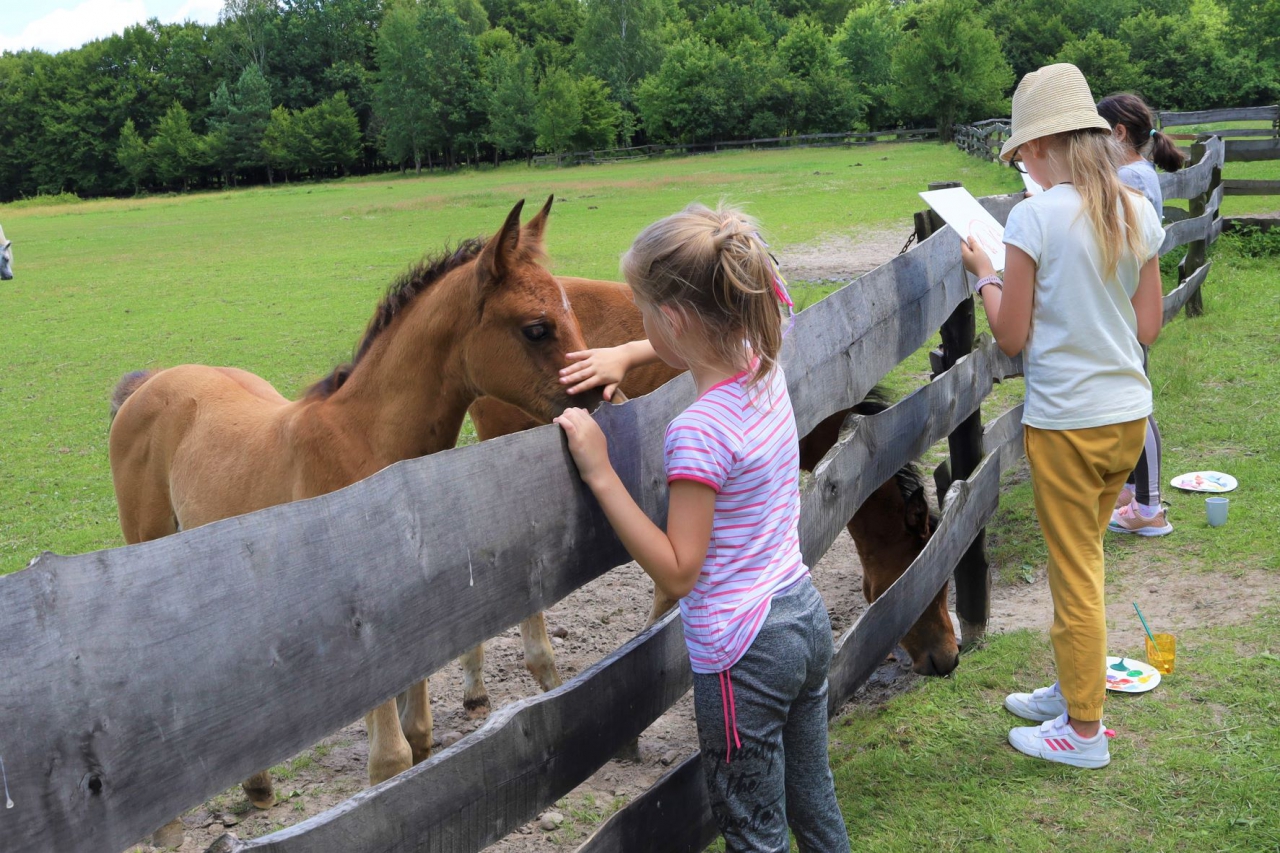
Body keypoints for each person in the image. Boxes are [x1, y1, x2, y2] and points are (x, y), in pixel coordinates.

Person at [553, 202, 851, 852]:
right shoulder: (763, 355)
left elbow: (678, 568)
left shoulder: (698, 433)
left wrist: (602, 471)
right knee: (812, 795)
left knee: (753, 828)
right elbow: (756, 297)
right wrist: (631, 352)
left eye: (643, 309)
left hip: (743, 654)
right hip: (801, 614)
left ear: (677, 318)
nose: (639, 319)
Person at [959, 64, 1166, 768]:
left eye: (1020, 155)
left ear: (1041, 148)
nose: (1021, 166)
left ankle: (1082, 731)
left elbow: (1010, 336)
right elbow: (1147, 325)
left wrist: (985, 275)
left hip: (1067, 424)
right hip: (1127, 418)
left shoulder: (1032, 217)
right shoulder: (1135, 210)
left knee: (1075, 569)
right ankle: (1072, 686)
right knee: (1088, 560)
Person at [1096, 92, 1187, 537]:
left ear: (1117, 133)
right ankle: (1135, 494)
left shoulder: (1129, 176)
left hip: (1129, 305)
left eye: (1097, 134)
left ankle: (1149, 507)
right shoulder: (1137, 172)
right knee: (1131, 402)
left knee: (1138, 408)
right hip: (1131, 301)